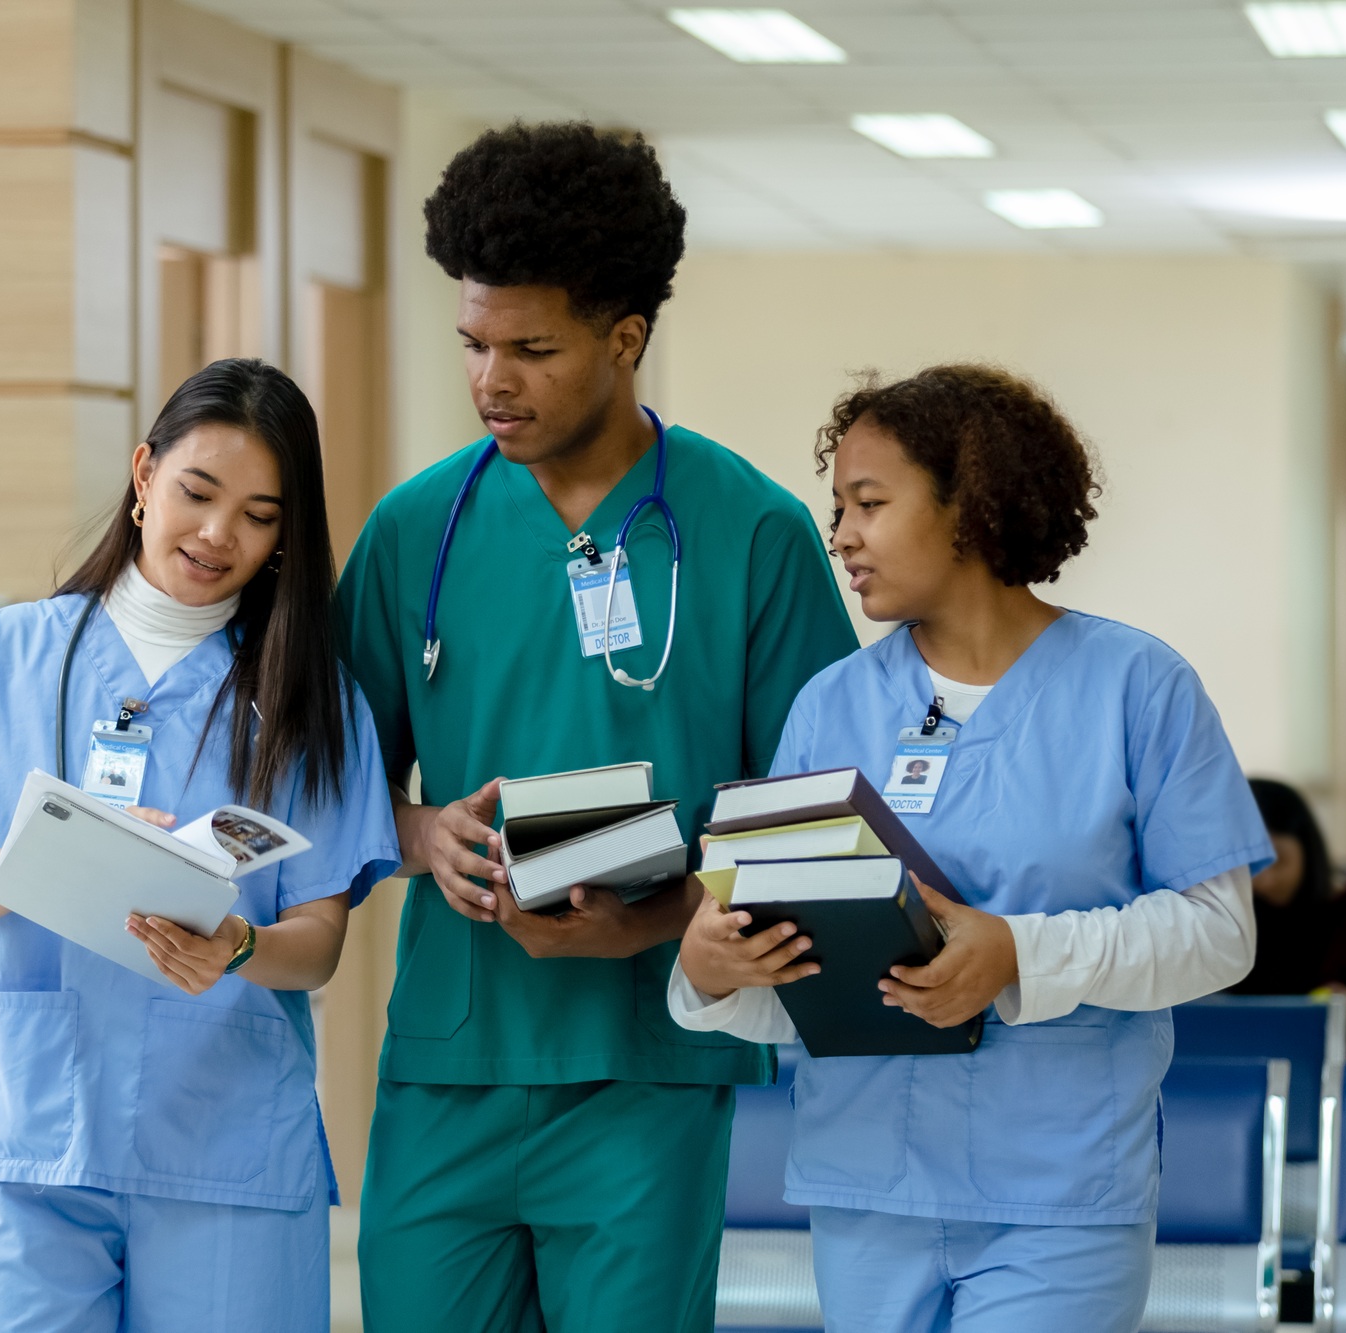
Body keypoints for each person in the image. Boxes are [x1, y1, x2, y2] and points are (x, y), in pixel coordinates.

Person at [335, 122, 856, 1333]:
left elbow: (818, 827)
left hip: (647, 1073)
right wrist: (417, 833)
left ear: (624, 339)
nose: (489, 382)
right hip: (450, 1059)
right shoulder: (416, 530)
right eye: (470, 344)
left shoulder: (752, 534)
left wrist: (651, 920)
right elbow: (323, 775)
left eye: (531, 348)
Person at [672, 364, 1271, 1333]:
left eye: (868, 502)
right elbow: (796, 980)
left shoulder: (1137, 688)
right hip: (864, 1182)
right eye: (838, 506)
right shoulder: (830, 704)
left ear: (971, 506)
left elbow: (1216, 934)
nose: (840, 537)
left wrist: (1017, 954)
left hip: (1057, 1188)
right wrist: (713, 973)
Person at [0, 358, 401, 1333]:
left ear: (285, 535)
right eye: (197, 492)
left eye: (258, 513)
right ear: (143, 474)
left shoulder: (308, 695)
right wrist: (69, 851)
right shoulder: (13, 654)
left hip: (225, 1139)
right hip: (38, 1134)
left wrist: (236, 944)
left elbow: (318, 934)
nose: (216, 533)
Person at [1234, 777, 1346, 995]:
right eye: (1249, 866)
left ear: (1308, 848)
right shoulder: (1228, 917)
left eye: (1278, 860)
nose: (1266, 879)